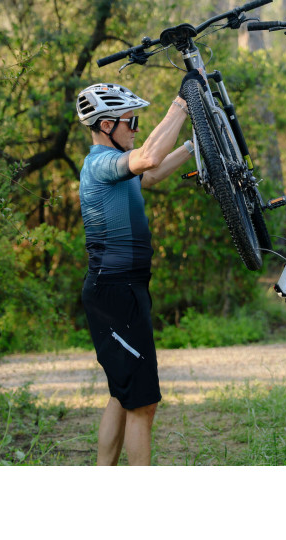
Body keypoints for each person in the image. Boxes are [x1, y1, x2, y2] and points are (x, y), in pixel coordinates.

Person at [76, 78, 199, 465]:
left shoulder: (117, 168)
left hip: (123, 290)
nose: (136, 129)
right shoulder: (101, 163)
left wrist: (193, 147)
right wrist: (181, 105)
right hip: (115, 294)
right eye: (131, 122)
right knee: (143, 405)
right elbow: (147, 158)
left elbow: (151, 174)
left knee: (122, 394)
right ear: (106, 125)